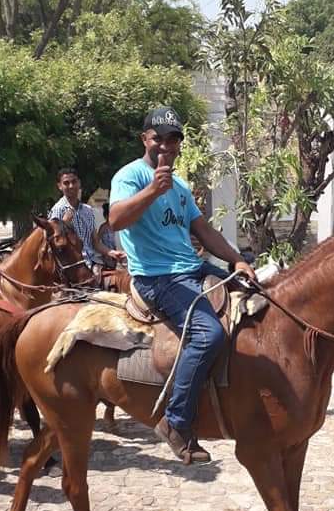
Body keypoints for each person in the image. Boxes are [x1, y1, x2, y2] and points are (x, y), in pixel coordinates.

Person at [109, 106, 256, 465]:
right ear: (145, 139)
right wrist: (151, 192)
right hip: (156, 277)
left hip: (192, 268)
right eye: (158, 138)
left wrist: (236, 260)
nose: (166, 145)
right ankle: (176, 422)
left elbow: (202, 230)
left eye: (173, 139)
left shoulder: (180, 186)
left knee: (258, 303)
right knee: (209, 335)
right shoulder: (130, 176)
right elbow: (115, 219)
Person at [49, 168, 126, 271]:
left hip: (94, 263)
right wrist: (63, 224)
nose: (71, 186)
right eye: (66, 183)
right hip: (74, 268)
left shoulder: (88, 210)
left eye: (74, 182)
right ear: (60, 186)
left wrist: (112, 253)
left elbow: (95, 243)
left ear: (79, 183)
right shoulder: (58, 210)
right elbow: (54, 246)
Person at [97, 202, 118, 270]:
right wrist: (103, 251)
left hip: (113, 250)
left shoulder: (113, 226)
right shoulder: (103, 227)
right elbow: (97, 240)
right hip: (106, 252)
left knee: (113, 268)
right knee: (109, 268)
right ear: (106, 216)